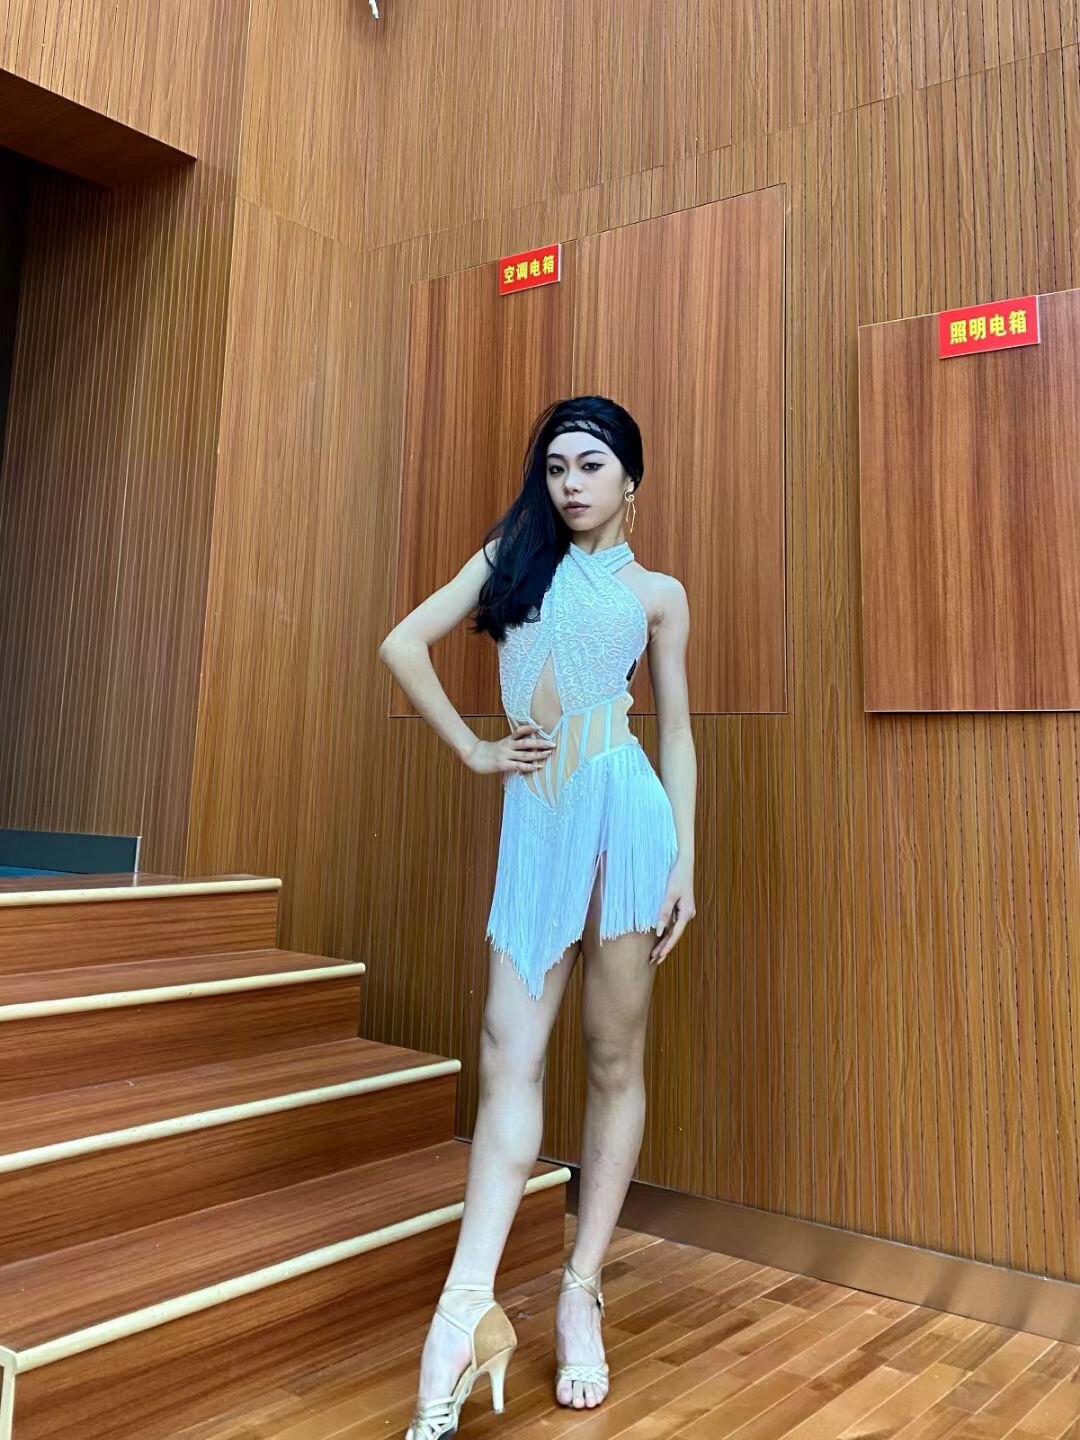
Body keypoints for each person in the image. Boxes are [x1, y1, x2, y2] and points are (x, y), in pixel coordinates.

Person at [379, 394, 697, 1439]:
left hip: (628, 819)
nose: (570, 483)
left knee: (611, 1056)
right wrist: (477, 749)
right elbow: (402, 644)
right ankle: (464, 1307)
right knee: (505, 1050)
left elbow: (677, 734)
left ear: (630, 477)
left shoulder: (658, 595)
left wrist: (685, 860)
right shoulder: (510, 559)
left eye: (591, 464)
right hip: (539, 821)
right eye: (556, 466)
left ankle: (580, 1288)